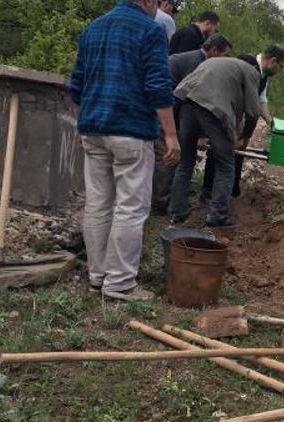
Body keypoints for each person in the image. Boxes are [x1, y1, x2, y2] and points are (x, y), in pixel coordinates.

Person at [70, 0, 180, 301]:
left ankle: (98, 275)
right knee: (130, 207)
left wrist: (85, 122)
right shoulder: (150, 30)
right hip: (130, 130)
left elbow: (76, 84)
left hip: (93, 128)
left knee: (97, 203)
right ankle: (119, 284)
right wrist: (171, 134)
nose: (157, 9)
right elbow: (158, 85)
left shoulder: (92, 28)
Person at [169, 57, 261, 227]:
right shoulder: (251, 71)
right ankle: (218, 215)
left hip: (186, 104)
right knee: (226, 166)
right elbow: (254, 112)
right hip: (213, 110)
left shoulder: (213, 62)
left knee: (185, 163)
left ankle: (177, 212)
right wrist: (245, 137)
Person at [151, 34, 233, 215]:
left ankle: (166, 201)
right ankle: (160, 205)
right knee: (167, 155)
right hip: (164, 108)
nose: (225, 61)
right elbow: (191, 97)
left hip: (169, 106)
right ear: (214, 50)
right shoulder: (198, 62)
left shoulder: (195, 59)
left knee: (173, 156)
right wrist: (178, 130)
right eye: (225, 55)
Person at [202, 44, 284, 200]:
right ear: (273, 61)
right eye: (281, 67)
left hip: (240, 119)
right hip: (225, 112)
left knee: (238, 153)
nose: (280, 71)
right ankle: (209, 191)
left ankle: (231, 192)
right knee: (219, 151)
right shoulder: (246, 63)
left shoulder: (264, 77)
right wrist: (242, 132)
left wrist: (271, 123)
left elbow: (260, 101)